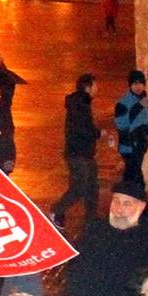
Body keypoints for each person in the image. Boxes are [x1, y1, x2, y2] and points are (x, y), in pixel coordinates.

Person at [51, 74, 103, 226]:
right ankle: (57, 210)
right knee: (79, 187)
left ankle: (91, 219)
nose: (97, 89)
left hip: (85, 153)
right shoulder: (80, 105)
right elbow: (83, 129)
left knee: (92, 186)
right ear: (88, 88)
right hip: (78, 154)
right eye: (95, 85)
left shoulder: (81, 103)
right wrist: (98, 133)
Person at [112, 70, 148, 194]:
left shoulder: (144, 99)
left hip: (140, 144)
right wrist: (139, 106)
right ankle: (138, 196)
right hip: (128, 145)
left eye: (141, 83)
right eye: (135, 84)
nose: (138, 87)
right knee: (136, 175)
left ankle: (124, 195)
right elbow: (122, 125)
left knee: (131, 174)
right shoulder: (123, 103)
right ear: (130, 85)